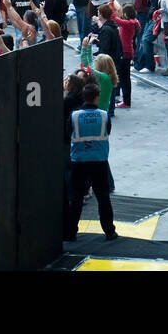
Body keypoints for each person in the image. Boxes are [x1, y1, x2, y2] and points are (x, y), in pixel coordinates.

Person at [66, 82, 116, 241]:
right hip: (99, 161)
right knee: (103, 198)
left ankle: (70, 232)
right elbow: (107, 131)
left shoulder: (74, 116)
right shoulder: (103, 115)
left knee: (76, 198)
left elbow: (68, 134)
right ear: (96, 97)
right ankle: (109, 231)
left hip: (79, 161)